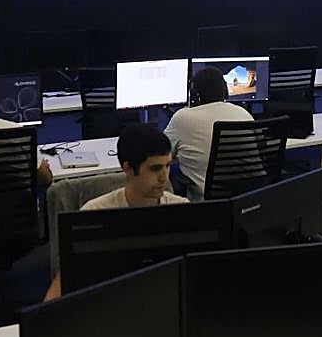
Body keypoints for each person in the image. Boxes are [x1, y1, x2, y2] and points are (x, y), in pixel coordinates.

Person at [44, 124, 187, 300]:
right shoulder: (94, 213)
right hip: (112, 302)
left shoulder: (182, 209)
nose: (164, 177)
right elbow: (65, 281)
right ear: (127, 168)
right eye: (155, 169)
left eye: (168, 166)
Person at [164, 67, 253, 199]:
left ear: (195, 94)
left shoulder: (182, 117)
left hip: (207, 203)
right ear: (225, 90)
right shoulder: (243, 113)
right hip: (248, 200)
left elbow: (161, 153)